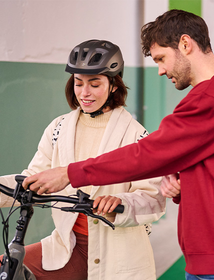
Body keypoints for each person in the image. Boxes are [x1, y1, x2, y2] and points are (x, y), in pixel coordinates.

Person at [22, 10, 214, 280]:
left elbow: (148, 154)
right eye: (79, 83)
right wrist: (182, 186)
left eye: (161, 59)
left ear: (186, 44)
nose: (161, 70)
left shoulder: (213, 98)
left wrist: (69, 174)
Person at [0, 39, 166, 280]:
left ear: (114, 86)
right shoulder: (58, 128)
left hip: (119, 256)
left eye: (95, 84)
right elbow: (32, 180)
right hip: (67, 248)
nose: (84, 93)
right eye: (79, 83)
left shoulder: (136, 135)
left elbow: (153, 199)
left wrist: (119, 203)